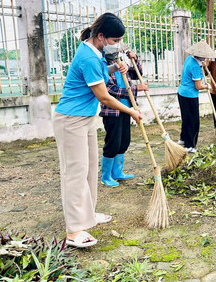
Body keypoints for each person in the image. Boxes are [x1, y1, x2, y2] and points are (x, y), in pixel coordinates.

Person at [53, 12, 142, 248]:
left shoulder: (96, 52)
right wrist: (131, 111)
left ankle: (88, 215)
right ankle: (73, 230)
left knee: (91, 168)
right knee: (75, 172)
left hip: (84, 119)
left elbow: (100, 77)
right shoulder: (89, 57)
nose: (117, 44)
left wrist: (114, 68)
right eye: (114, 40)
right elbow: (104, 95)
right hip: (70, 120)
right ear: (101, 36)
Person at [99, 49, 148, 187]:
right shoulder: (103, 67)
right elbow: (110, 90)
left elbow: (136, 73)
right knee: (113, 143)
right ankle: (106, 176)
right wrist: (136, 88)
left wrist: (135, 59)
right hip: (112, 111)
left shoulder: (121, 63)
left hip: (127, 109)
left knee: (124, 141)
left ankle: (117, 172)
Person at [177, 40, 216, 153]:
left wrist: (203, 66)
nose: (206, 59)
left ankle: (183, 139)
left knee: (186, 118)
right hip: (190, 96)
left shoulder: (189, 59)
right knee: (193, 121)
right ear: (200, 56)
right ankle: (190, 146)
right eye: (204, 57)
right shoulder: (195, 66)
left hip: (182, 93)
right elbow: (198, 86)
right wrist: (207, 86)